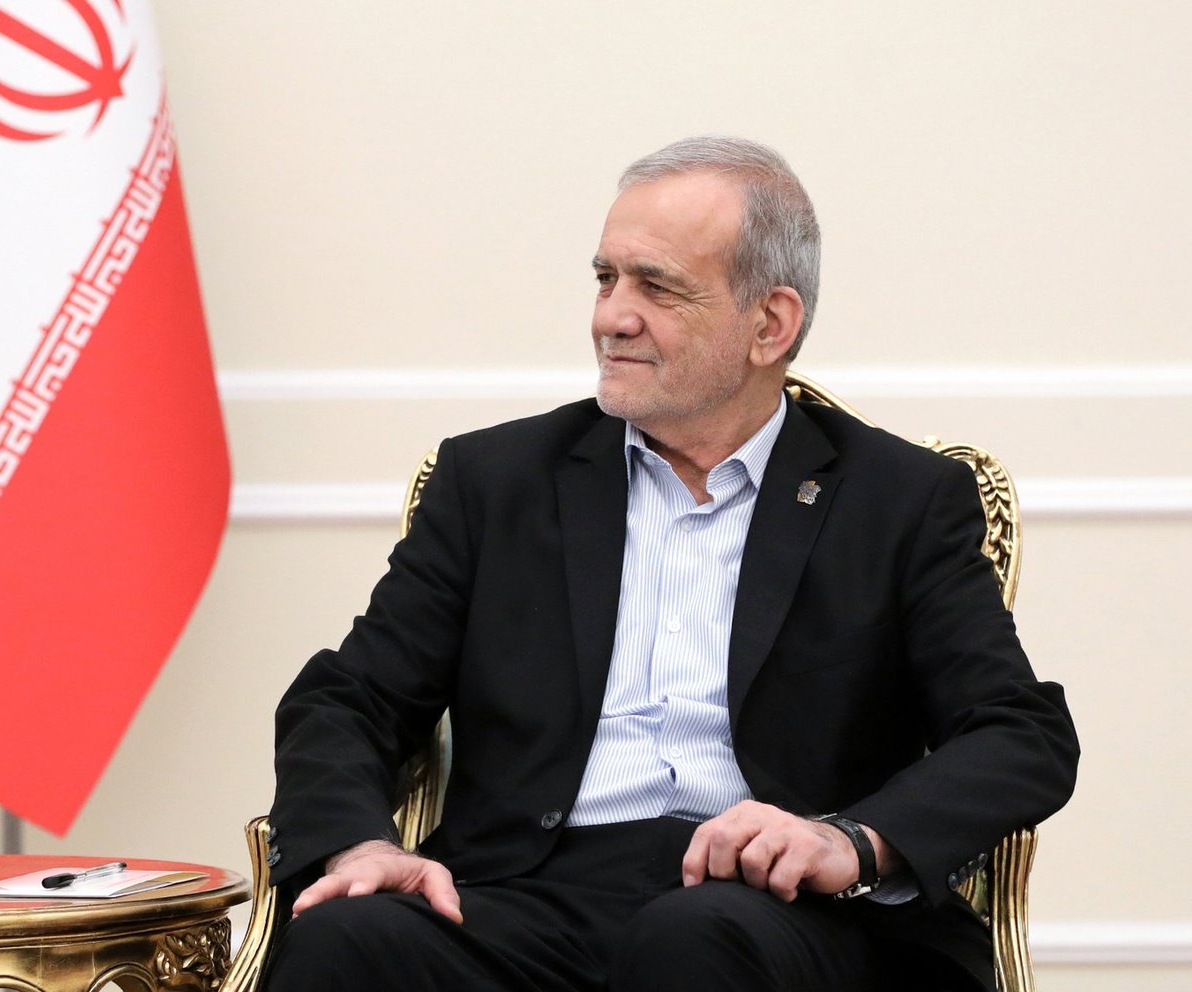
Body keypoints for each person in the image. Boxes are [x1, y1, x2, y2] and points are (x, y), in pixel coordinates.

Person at [264, 136, 1078, 992]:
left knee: (693, 940)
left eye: (656, 287)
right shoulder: (496, 482)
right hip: (528, 896)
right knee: (345, 939)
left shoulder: (898, 499)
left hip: (781, 913)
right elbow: (348, 699)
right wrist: (359, 845)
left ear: (770, 325)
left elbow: (1018, 732)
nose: (610, 317)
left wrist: (846, 841)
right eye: (605, 279)